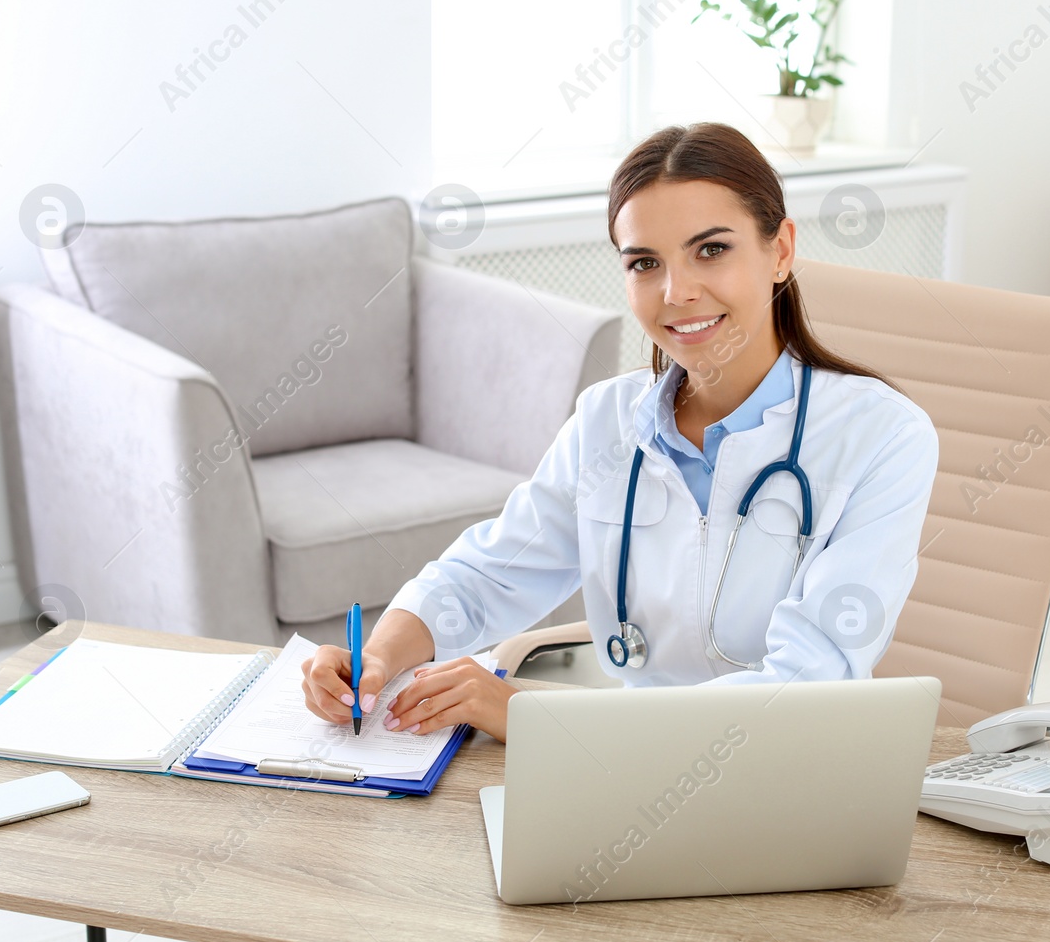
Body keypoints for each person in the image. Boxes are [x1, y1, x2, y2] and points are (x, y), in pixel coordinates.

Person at [301, 121, 939, 743]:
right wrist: (378, 658)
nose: (676, 291)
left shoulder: (883, 437)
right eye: (644, 263)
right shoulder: (607, 420)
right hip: (617, 768)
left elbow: (806, 682)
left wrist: (536, 719)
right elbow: (489, 574)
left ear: (781, 250)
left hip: (780, 774)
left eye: (711, 250)